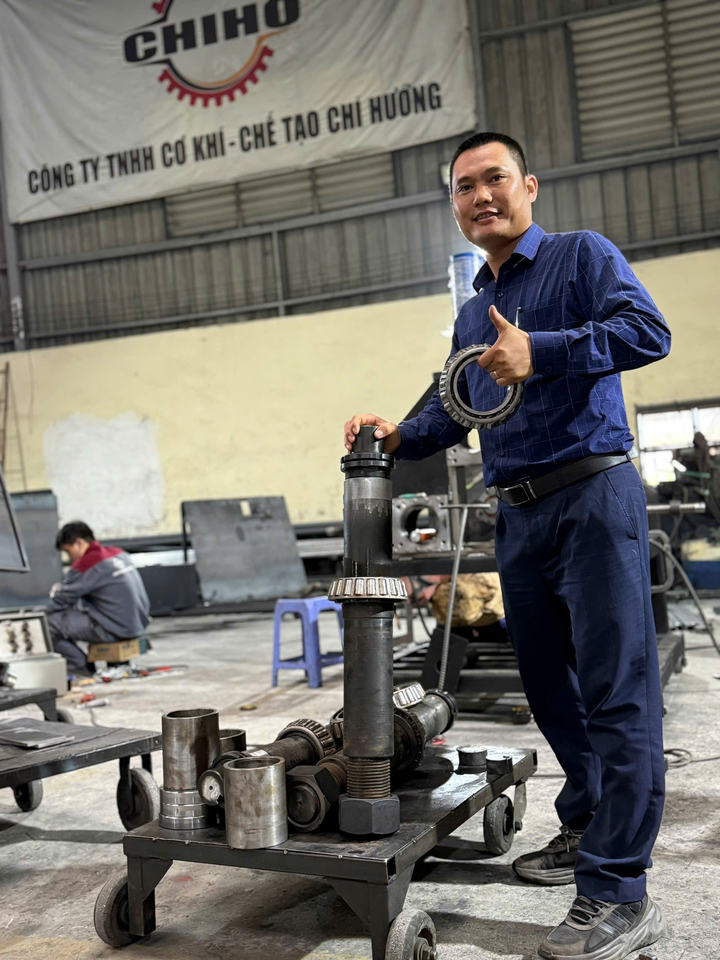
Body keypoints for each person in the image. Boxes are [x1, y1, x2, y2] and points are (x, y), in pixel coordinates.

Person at [344, 132, 670, 960]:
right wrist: (397, 432)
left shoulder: (581, 258)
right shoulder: (472, 310)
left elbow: (647, 332)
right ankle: (587, 826)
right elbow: (453, 403)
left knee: (618, 694)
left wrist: (544, 351)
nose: (480, 196)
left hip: (593, 497)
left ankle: (620, 891)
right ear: (454, 206)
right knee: (552, 692)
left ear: (529, 185)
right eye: (464, 187)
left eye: (494, 179)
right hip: (519, 515)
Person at [47, 521, 150, 677]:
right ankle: (116, 663)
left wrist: (38, 611)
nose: (70, 558)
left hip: (116, 629)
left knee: (48, 624)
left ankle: (80, 667)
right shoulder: (118, 553)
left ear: (79, 543)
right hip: (137, 625)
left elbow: (62, 599)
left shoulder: (88, 564)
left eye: (68, 551)